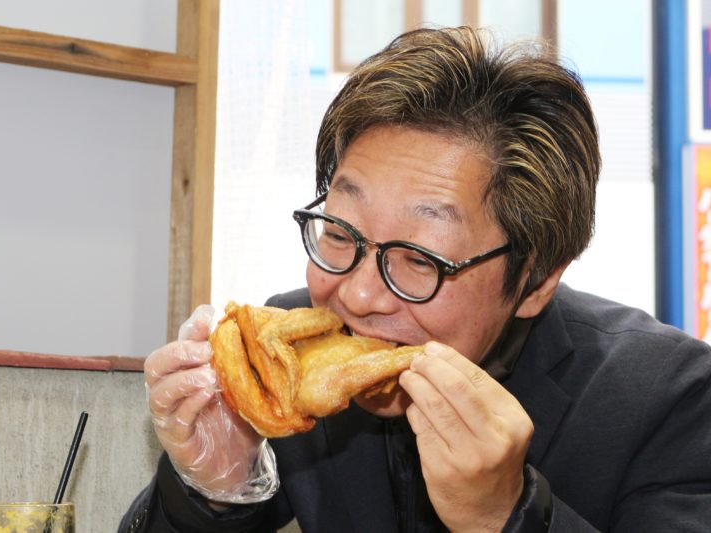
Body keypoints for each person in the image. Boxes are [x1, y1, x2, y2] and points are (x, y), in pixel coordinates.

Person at [119, 26, 711, 532]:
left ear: (535, 281)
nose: (357, 295)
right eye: (341, 233)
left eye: (421, 260)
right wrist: (214, 492)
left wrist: (507, 516)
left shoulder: (668, 397)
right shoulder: (285, 358)